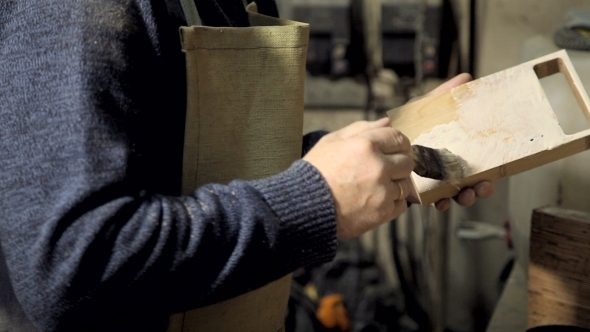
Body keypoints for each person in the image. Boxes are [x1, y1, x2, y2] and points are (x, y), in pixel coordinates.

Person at [0, 1, 494, 331]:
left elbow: (191, 164)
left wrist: (388, 158)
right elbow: (72, 268)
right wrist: (315, 199)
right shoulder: (69, 13)